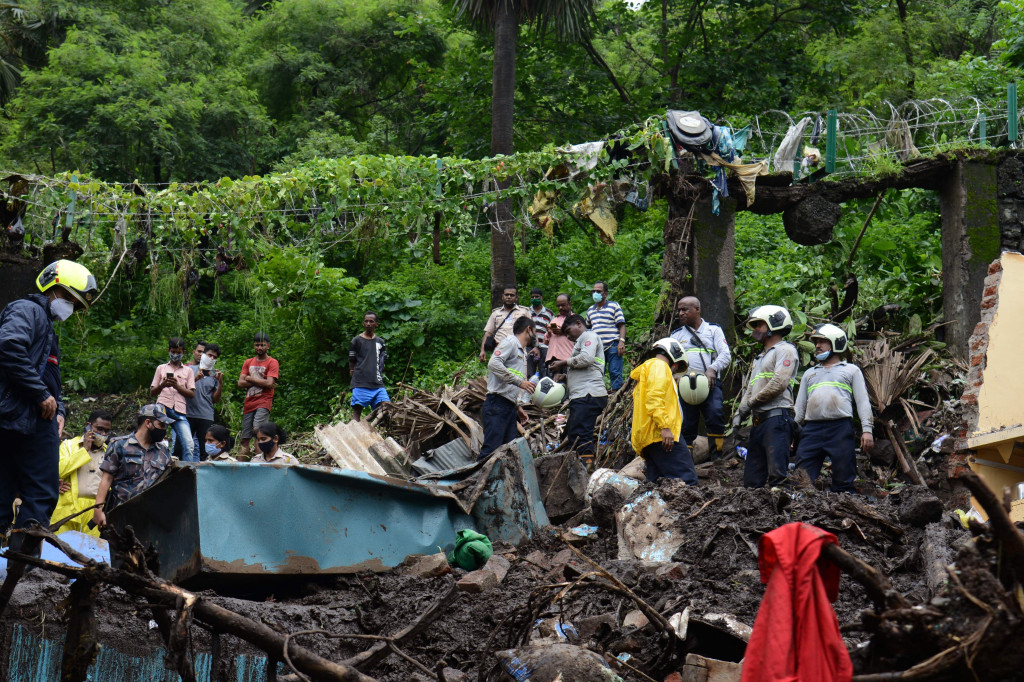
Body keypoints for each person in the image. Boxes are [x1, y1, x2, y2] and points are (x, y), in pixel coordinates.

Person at [0, 259, 96, 551]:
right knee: (41, 492)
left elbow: (49, 378)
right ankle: (22, 566)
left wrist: (60, 410)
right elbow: (8, 345)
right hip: (19, 414)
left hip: (29, 418)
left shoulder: (46, 328)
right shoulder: (27, 310)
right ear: (53, 288)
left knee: (11, 491)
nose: (71, 308)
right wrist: (41, 395)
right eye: (69, 299)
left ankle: (16, 567)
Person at [794, 324, 874, 493]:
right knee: (802, 478)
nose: (817, 346)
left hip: (840, 428)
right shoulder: (809, 373)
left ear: (836, 343)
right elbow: (799, 408)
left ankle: (846, 511)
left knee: (844, 477)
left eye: (823, 341)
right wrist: (791, 434)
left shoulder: (851, 370)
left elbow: (862, 401)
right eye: (816, 342)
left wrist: (867, 430)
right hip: (811, 429)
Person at [734, 305, 800, 488]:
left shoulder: (785, 350)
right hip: (759, 422)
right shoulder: (761, 357)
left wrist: (751, 403)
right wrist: (741, 412)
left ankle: (784, 514)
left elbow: (778, 383)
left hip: (777, 418)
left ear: (774, 324)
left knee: (777, 475)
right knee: (752, 480)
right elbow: (751, 386)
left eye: (759, 325)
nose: (756, 330)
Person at [93, 404, 175, 527]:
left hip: (152, 519)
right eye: (161, 425)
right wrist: (98, 510)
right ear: (148, 423)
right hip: (121, 516)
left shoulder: (163, 451)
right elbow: (106, 479)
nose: (164, 430)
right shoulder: (119, 445)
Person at [629, 338, 698, 483]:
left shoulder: (647, 371)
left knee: (656, 486)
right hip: (662, 436)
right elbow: (655, 398)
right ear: (674, 355)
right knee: (687, 482)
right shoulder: (659, 366)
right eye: (676, 367)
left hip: (649, 438)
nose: (674, 371)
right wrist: (665, 427)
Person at [671, 296, 731, 455]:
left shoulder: (713, 330)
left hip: (709, 382)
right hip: (685, 385)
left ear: (697, 310)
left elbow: (725, 355)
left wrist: (713, 369)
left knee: (715, 413)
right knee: (686, 423)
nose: (681, 313)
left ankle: (717, 456)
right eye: (679, 310)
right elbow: (670, 362)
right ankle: (686, 461)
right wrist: (675, 374)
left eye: (685, 309)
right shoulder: (676, 336)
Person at [548, 314, 607, 466]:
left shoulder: (589, 336)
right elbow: (584, 368)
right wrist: (565, 377)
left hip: (588, 394)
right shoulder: (581, 341)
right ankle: (578, 466)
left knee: (582, 435)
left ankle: (585, 468)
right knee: (574, 433)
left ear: (579, 324)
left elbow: (587, 359)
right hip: (582, 395)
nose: (568, 336)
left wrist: (562, 362)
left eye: (568, 331)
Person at [478, 316, 536, 461]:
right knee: (491, 450)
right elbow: (493, 363)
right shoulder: (510, 342)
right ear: (528, 330)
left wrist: (516, 406)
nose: (536, 336)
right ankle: (477, 482)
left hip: (508, 407)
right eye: (534, 332)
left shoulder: (522, 352)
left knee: (506, 452)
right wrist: (519, 382)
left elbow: (508, 382)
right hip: (496, 404)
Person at [52, 410, 112, 536]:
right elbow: (57, 471)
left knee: (90, 552)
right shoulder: (68, 446)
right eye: (99, 429)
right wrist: (84, 450)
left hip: (95, 510)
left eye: (106, 431)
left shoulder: (109, 453)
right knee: (59, 550)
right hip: (67, 510)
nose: (103, 434)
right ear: (88, 425)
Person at [149, 337, 197, 462]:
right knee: (155, 438)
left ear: (183, 352)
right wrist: (163, 384)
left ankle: (187, 470)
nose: (175, 355)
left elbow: (191, 393)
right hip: (162, 407)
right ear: (169, 350)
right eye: (173, 352)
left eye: (178, 352)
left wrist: (176, 386)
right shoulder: (161, 368)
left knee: (189, 443)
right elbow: (152, 392)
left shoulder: (188, 371)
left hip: (179, 411)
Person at [238, 331, 279, 458]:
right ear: (253, 346)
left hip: (263, 401)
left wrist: (249, 379)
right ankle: (239, 468)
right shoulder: (248, 362)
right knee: (245, 438)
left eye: (262, 345)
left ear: (268, 346)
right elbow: (240, 383)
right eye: (257, 345)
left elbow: (269, 383)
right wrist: (260, 381)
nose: (259, 348)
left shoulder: (272, 362)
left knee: (258, 432)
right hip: (249, 403)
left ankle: (259, 464)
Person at [349, 311, 390, 421]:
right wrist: (353, 375)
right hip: (360, 382)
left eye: (371, 321)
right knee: (357, 411)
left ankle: (384, 435)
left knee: (386, 409)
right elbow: (351, 361)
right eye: (366, 321)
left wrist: (379, 374)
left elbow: (382, 361)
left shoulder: (381, 342)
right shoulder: (356, 341)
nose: (368, 324)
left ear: (376, 324)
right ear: (363, 323)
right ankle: (354, 434)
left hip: (377, 383)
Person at [585, 281, 626, 391]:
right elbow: (587, 329)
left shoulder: (614, 306)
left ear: (605, 294)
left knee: (615, 372)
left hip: (613, 345)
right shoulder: (590, 310)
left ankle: (616, 396)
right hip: (597, 348)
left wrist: (621, 341)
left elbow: (621, 325)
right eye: (593, 291)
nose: (595, 293)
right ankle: (598, 395)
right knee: (597, 373)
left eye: (598, 291)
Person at [187, 343, 223, 459]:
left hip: (206, 415)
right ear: (203, 354)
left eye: (215, 357)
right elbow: (181, 388)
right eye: (210, 355)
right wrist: (196, 377)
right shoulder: (189, 370)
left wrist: (220, 383)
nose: (212, 358)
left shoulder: (214, 375)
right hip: (188, 414)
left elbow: (215, 400)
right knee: (183, 446)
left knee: (205, 449)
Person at [479, 286, 531, 362]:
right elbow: (488, 333)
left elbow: (531, 331)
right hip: (500, 350)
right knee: (498, 372)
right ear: (502, 296)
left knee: (518, 373)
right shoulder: (496, 313)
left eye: (512, 295)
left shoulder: (524, 312)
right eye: (506, 295)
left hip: (518, 350)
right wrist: (482, 350)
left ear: (516, 298)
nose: (509, 297)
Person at [543, 294, 574, 373]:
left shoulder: (575, 319)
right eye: (558, 305)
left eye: (563, 305)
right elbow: (545, 342)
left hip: (566, 358)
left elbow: (579, 336)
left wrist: (563, 331)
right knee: (552, 383)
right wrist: (549, 333)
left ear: (570, 304)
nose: (560, 308)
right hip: (551, 358)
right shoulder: (554, 320)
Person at [526, 287, 553, 379]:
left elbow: (552, 329)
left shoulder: (549, 313)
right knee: (529, 372)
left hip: (544, 346)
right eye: (532, 297)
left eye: (537, 297)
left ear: (542, 298)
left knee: (544, 372)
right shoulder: (527, 312)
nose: (534, 299)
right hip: (530, 346)